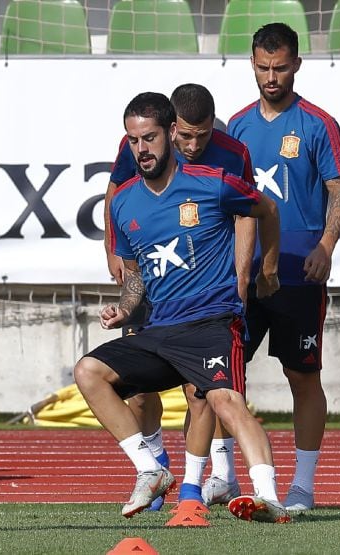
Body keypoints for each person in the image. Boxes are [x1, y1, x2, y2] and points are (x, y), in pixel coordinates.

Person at [77, 91, 289, 523]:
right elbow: (135, 276)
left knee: (226, 402)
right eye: (133, 141)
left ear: (171, 133)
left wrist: (264, 270)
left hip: (211, 322)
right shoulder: (123, 202)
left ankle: (268, 498)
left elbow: (266, 211)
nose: (142, 149)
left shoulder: (214, 182)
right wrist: (124, 307)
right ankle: (150, 470)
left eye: (149, 138)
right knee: (88, 371)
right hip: (160, 330)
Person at [212, 22, 340, 514]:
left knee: (302, 377)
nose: (271, 76)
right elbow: (222, 202)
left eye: (280, 67)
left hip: (299, 274)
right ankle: (223, 475)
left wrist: (327, 246)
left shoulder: (318, 124)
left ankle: (303, 488)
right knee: (221, 378)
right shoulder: (236, 125)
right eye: (262, 67)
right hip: (245, 275)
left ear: (296, 64)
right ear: (251, 64)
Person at [103, 83, 256, 510]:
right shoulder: (137, 145)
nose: (191, 145)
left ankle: (201, 483)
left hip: (202, 294)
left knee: (202, 389)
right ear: (173, 130)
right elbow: (116, 192)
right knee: (137, 392)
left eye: (200, 136)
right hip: (147, 277)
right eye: (184, 136)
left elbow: (249, 212)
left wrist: (242, 277)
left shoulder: (231, 156)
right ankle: (154, 464)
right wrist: (113, 249)